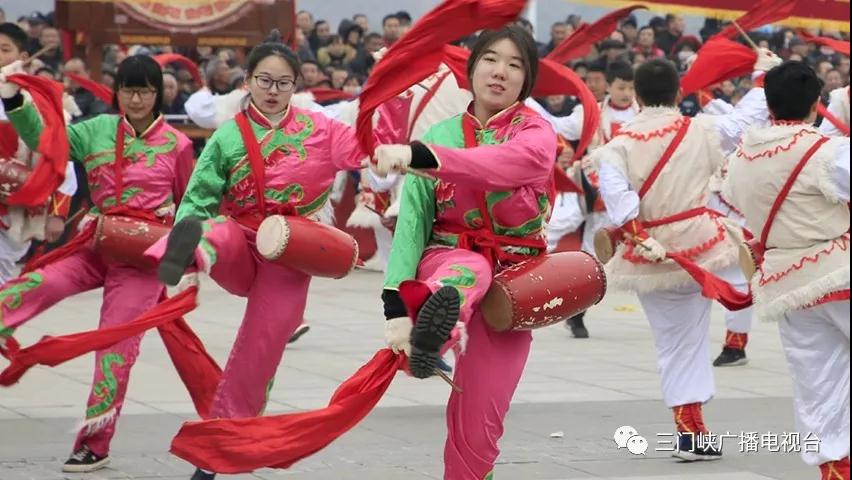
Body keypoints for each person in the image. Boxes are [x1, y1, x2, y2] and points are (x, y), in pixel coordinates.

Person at [147, 42, 404, 480]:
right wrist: (189, 229)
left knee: (259, 353)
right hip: (241, 243)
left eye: (283, 83)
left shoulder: (321, 129)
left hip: (290, 253)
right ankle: (186, 251)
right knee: (215, 231)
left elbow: (368, 150)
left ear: (295, 86)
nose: (272, 90)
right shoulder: (228, 136)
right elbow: (199, 196)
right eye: (264, 81)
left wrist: (388, 106)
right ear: (247, 82)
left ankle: (215, 454)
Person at [372, 26, 558, 479]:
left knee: (479, 426)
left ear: (527, 79)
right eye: (490, 59)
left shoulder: (537, 133)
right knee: (468, 266)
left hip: (512, 286)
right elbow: (413, 222)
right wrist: (393, 302)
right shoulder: (439, 133)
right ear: (472, 69)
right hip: (448, 259)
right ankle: (433, 332)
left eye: (514, 65)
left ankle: (433, 331)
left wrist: (428, 158)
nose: (500, 72)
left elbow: (504, 164)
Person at [0, 54, 195, 472]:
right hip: (95, 244)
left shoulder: (177, 145)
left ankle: (95, 443)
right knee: (37, 284)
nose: (136, 100)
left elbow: (190, 206)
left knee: (115, 350)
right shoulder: (95, 130)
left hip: (142, 261)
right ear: (116, 92)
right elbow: (46, 141)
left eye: (144, 91)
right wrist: (14, 99)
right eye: (128, 90)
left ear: (158, 94)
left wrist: (180, 263)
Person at [595, 53, 778, 461]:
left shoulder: (618, 146)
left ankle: (689, 426)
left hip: (649, 251)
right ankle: (692, 425)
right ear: (679, 93)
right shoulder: (703, 129)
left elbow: (619, 205)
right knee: (701, 323)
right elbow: (745, 120)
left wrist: (640, 233)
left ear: (638, 97)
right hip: (703, 243)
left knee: (674, 340)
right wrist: (760, 77)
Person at [723, 61, 850, 480]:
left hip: (787, 283)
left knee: (818, 386)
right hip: (839, 272)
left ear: (768, 105)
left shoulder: (741, 158)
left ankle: (836, 471)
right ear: (816, 105)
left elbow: (735, 203)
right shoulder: (827, 151)